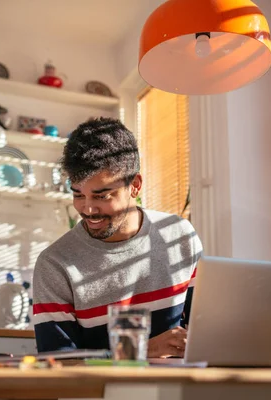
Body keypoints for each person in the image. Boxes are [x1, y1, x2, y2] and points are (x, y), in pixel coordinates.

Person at [32, 118, 203, 358]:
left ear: (135, 185)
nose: (88, 209)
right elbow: (59, 366)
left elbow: (205, 330)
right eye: (78, 194)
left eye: (102, 196)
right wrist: (144, 350)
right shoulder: (55, 264)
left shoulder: (180, 235)